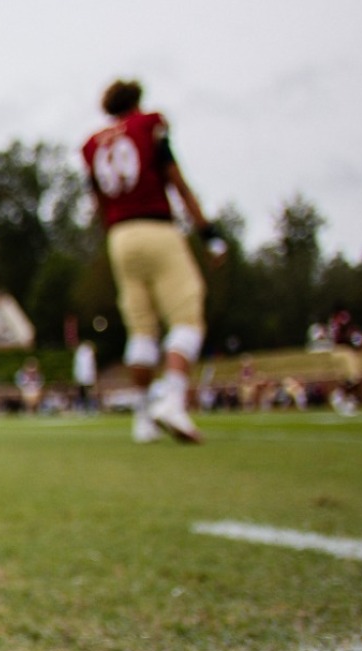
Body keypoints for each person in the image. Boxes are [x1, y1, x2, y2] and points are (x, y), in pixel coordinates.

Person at [82, 78, 221, 444]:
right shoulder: (148, 127)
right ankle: (172, 398)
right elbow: (176, 180)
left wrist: (109, 235)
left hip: (119, 236)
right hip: (156, 227)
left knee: (141, 330)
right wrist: (208, 232)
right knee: (187, 314)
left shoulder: (93, 144)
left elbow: (97, 203)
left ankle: (143, 418)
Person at [73, 340, 98, 412]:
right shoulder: (82, 353)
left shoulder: (85, 353)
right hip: (84, 375)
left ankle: (91, 407)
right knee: (83, 392)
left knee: (89, 392)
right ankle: (82, 407)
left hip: (87, 375)